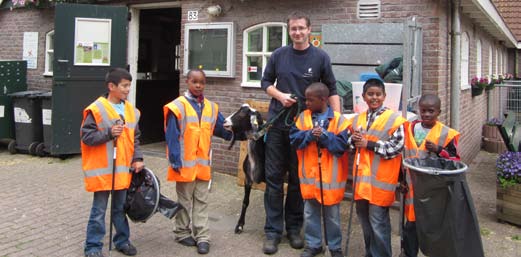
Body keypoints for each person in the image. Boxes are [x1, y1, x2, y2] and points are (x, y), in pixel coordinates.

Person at [260, 11, 340, 255]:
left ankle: (294, 228)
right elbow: (265, 83)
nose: (297, 32)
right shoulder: (279, 55)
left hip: (306, 129)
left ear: (309, 29)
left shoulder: (320, 57)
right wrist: (281, 96)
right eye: (293, 29)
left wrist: (336, 121)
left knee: (298, 180)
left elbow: (333, 89)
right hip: (277, 126)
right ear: (289, 31)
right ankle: (272, 231)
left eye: (301, 28)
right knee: (273, 179)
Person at [164, 69, 237, 255]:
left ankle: (203, 236)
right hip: (184, 165)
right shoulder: (177, 106)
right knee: (184, 201)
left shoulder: (211, 107)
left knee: (202, 201)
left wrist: (240, 132)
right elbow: (172, 136)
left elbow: (222, 129)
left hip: (202, 165)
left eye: (202, 82)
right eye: (194, 82)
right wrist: (174, 160)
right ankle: (181, 232)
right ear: (187, 81)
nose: (198, 85)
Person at [81, 68, 144, 257]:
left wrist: (138, 158)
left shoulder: (132, 111)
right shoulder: (96, 109)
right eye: (124, 86)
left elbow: (136, 137)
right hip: (103, 169)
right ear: (111, 86)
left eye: (129, 86)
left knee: (120, 208)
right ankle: (93, 247)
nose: (127, 90)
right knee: (99, 211)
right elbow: (87, 137)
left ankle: (122, 241)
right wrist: (109, 134)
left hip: (123, 168)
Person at [289, 83, 350, 257]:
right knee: (310, 214)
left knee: (332, 217)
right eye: (306, 99)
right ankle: (314, 245)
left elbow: (341, 146)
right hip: (310, 179)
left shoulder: (339, 120)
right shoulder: (302, 118)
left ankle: (334, 247)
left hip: (331, 181)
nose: (306, 102)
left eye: (310, 100)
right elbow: (294, 139)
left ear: (323, 99)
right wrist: (309, 135)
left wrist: (324, 136)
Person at [349, 78, 406, 257]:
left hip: (380, 183)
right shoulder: (358, 119)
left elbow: (395, 148)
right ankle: (370, 253)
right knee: (365, 223)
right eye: (370, 94)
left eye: (378, 94)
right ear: (364, 97)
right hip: (361, 182)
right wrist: (354, 140)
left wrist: (368, 144)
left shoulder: (395, 119)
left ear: (384, 96)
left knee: (378, 224)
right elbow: (350, 145)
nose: (374, 97)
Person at [402, 94, 460, 257]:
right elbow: (403, 154)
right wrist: (401, 179)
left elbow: (455, 159)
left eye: (431, 111)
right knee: (410, 223)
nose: (426, 114)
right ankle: (409, 253)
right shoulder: (410, 128)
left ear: (438, 112)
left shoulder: (446, 133)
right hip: (411, 185)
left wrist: (438, 150)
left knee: (430, 223)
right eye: (423, 110)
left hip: (432, 189)